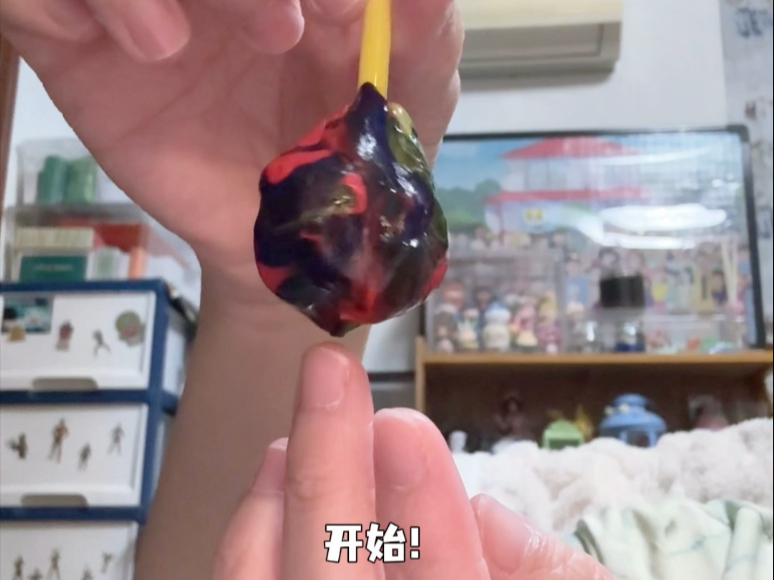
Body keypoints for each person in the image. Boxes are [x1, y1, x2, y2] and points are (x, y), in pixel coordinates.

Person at [1, 1, 613, 579]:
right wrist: (262, 311)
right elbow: (341, 540)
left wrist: (381, 541)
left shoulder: (604, 499)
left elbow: (369, 541)